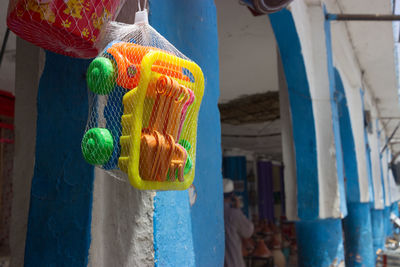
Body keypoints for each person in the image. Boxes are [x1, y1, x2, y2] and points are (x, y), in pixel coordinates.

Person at [223, 178, 254, 267]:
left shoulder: (214, 212)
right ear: (232, 195)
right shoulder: (233, 213)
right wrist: (239, 209)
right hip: (233, 262)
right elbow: (248, 231)